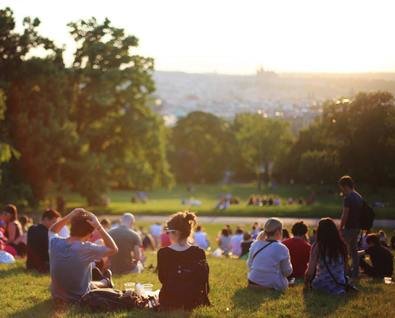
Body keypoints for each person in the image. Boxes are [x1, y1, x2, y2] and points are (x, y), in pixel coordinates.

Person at [49, 208, 118, 303]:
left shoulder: (55, 243)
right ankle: (105, 282)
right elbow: (113, 249)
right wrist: (98, 226)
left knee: (87, 278)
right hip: (79, 296)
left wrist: (70, 215)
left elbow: (52, 231)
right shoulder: (86, 248)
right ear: (89, 234)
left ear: (72, 228)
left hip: (57, 296)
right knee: (89, 283)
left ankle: (105, 281)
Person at [157, 211, 210, 311]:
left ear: (175, 232)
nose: (167, 235)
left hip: (170, 299)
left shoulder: (163, 253)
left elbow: (162, 279)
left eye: (168, 232)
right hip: (194, 300)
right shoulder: (199, 252)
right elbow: (202, 279)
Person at [305, 218, 348, 295]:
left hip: (322, 284)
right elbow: (345, 268)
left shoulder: (318, 246)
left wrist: (306, 284)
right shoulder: (341, 245)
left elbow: (310, 272)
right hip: (340, 283)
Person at [247, 218, 292, 291]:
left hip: (252, 280)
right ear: (278, 231)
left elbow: (249, 265)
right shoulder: (282, 248)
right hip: (271, 283)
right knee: (285, 282)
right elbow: (287, 272)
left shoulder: (255, 244)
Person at [338, 175, 363, 279]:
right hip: (357, 228)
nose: (341, 190)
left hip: (348, 228)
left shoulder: (348, 198)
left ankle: (344, 272)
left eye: (341, 187)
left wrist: (340, 228)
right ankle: (355, 273)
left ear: (345, 186)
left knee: (342, 250)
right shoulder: (359, 197)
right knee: (354, 251)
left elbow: (345, 215)